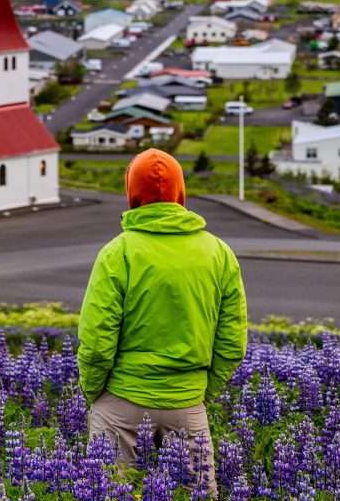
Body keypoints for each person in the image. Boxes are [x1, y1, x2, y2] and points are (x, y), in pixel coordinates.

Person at [77, 148, 247, 497]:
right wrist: (198, 392)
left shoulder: (118, 252)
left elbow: (96, 342)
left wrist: (97, 394)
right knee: (195, 495)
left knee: (108, 491)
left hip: (121, 399)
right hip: (186, 403)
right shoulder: (218, 253)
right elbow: (232, 344)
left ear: (132, 194)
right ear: (180, 194)